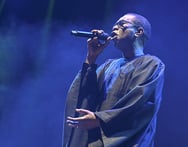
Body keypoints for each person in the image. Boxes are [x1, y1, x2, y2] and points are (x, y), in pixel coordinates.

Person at [62, 13, 165, 147]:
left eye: (121, 25)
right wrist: (91, 58)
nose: (114, 28)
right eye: (114, 26)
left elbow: (140, 104)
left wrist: (100, 119)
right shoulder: (108, 65)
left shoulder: (152, 64)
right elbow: (84, 95)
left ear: (139, 32)